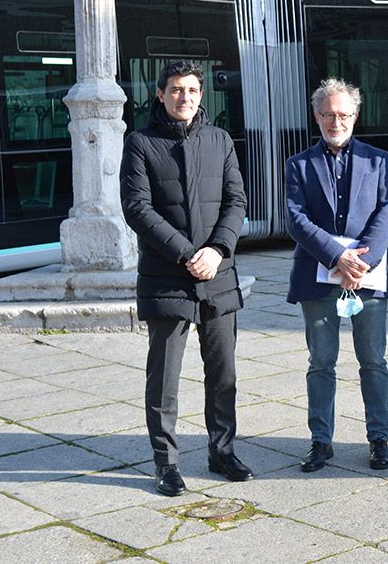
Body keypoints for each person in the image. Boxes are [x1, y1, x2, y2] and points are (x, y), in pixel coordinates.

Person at [120, 60, 252, 496]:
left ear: (201, 95)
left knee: (224, 373)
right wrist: (187, 254)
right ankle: (166, 463)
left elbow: (236, 200)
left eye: (193, 90)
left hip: (218, 275)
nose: (185, 98)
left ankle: (222, 451)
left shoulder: (219, 140)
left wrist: (216, 251)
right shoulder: (140, 143)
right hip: (167, 277)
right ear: (160, 94)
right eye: (176, 90)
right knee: (165, 379)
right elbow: (138, 209)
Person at [285, 78, 388, 473]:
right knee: (321, 362)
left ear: (355, 116)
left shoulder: (378, 159)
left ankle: (379, 439)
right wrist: (338, 257)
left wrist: (359, 262)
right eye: (330, 114)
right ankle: (320, 442)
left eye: (345, 114)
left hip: (369, 276)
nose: (337, 121)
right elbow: (295, 220)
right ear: (317, 116)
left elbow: (386, 213)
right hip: (317, 277)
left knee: (373, 361)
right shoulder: (298, 164)